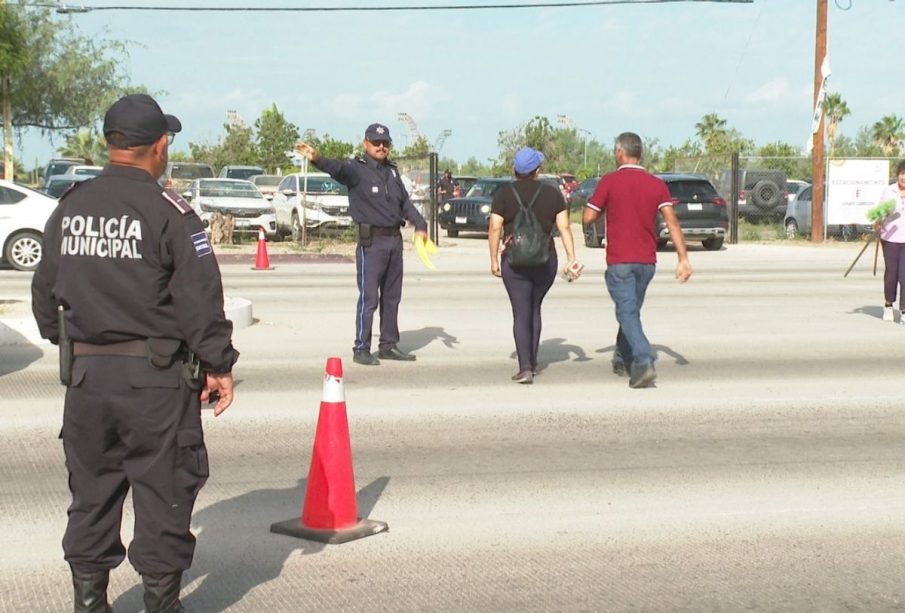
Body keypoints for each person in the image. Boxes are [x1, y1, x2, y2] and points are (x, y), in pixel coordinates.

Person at [31, 93, 239, 613]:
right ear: (160, 145)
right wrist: (218, 363)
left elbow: (44, 295)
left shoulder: (71, 206)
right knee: (163, 493)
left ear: (110, 143)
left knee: (92, 494)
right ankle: (161, 605)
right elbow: (199, 299)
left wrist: (79, 347)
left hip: (86, 381)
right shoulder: (170, 212)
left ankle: (89, 603)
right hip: (155, 381)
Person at [295, 123, 428, 366]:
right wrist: (316, 158)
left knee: (392, 297)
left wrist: (420, 224)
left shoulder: (393, 172)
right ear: (365, 143)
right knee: (369, 299)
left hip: (393, 241)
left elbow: (405, 204)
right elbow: (336, 168)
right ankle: (361, 347)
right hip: (372, 242)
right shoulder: (356, 169)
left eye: (385, 143)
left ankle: (388, 344)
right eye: (376, 142)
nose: (381, 146)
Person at [583, 131, 692, 389]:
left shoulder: (610, 181)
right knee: (630, 311)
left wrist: (601, 207)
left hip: (620, 260)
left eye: (614, 151)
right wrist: (683, 258)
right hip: (646, 263)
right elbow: (672, 221)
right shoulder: (656, 184)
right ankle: (622, 359)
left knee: (627, 312)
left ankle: (643, 361)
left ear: (620, 152)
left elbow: (588, 217)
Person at [488, 146, 578, 384]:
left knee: (520, 312)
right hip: (545, 260)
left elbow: (495, 227)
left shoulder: (503, 194)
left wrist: (493, 259)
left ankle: (525, 367)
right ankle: (534, 362)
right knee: (534, 308)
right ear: (537, 170)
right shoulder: (552, 194)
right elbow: (565, 227)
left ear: (515, 170)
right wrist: (571, 258)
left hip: (514, 262)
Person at [877, 159, 905, 322]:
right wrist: (879, 219)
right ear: (898, 175)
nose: (904, 178)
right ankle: (888, 305)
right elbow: (878, 212)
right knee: (891, 275)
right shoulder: (889, 191)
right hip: (890, 239)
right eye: (902, 174)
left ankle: (903, 310)